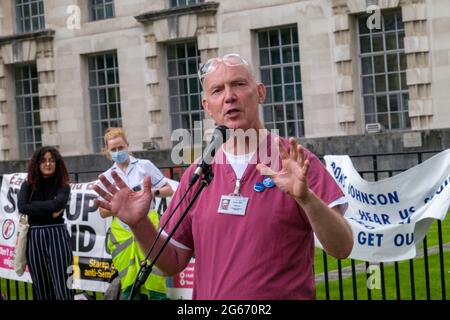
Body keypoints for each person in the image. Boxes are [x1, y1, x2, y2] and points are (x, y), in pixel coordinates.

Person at [94, 54, 353, 299]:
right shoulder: (198, 174)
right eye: (217, 90)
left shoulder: (295, 161)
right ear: (208, 106)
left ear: (260, 92)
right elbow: (170, 263)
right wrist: (140, 224)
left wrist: (307, 199)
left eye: (239, 84)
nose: (229, 97)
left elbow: (342, 248)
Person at [97, 127, 173, 300]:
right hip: (123, 235)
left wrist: (150, 193)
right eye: (113, 149)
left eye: (120, 147)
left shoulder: (144, 166)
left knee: (155, 281)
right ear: (107, 152)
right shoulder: (107, 176)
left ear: (127, 146)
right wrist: (119, 205)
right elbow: (102, 212)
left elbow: (168, 189)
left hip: (149, 228)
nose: (118, 152)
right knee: (129, 287)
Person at [17, 146, 74, 300]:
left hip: (57, 235)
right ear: (37, 164)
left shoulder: (63, 185)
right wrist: (50, 210)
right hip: (34, 236)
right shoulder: (28, 185)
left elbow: (58, 205)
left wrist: (33, 208)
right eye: (43, 161)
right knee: (41, 285)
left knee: (64, 282)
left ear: (57, 163)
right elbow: (22, 207)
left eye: (51, 160)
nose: (47, 164)